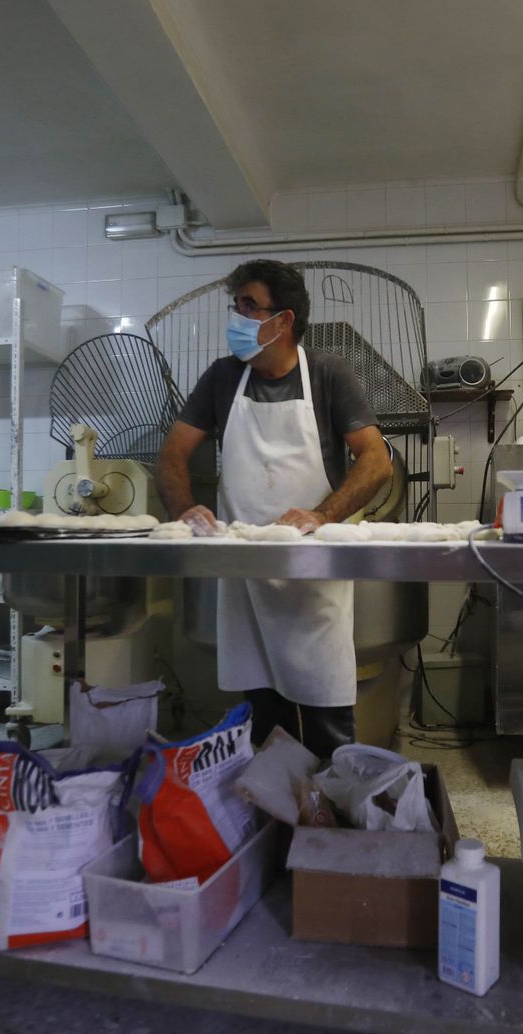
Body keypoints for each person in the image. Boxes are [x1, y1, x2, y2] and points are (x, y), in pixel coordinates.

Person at [157, 259, 393, 758]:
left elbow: (376, 461)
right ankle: (273, 799)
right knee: (262, 720)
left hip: (310, 575)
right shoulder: (223, 378)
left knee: (325, 720)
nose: (237, 317)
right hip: (245, 575)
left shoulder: (327, 373)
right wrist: (184, 511)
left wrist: (322, 515)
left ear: (283, 320)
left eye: (249, 306)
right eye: (235, 305)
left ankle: (329, 799)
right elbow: (174, 454)